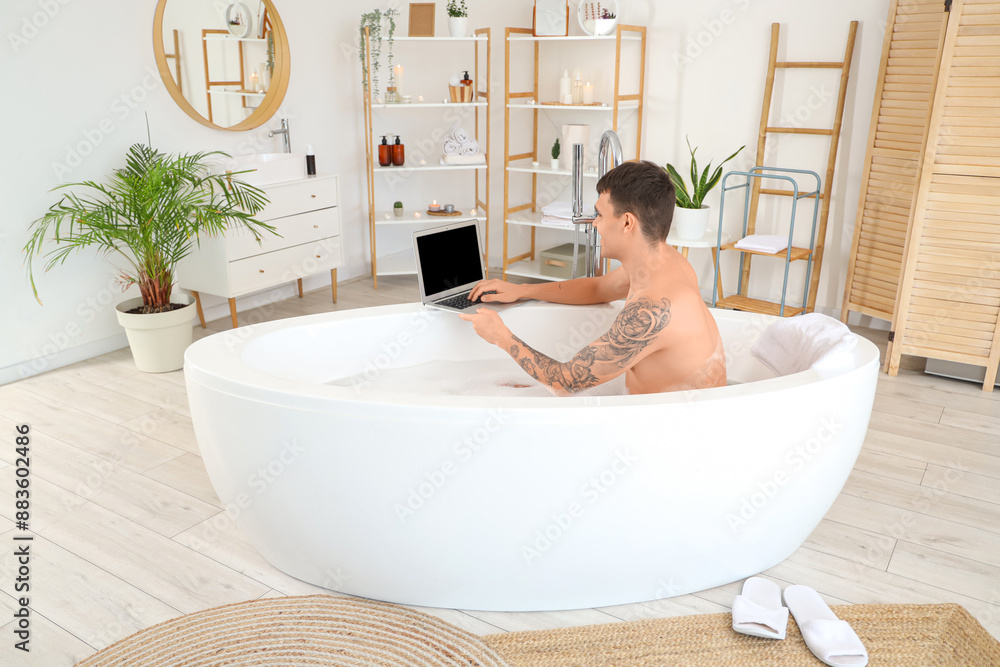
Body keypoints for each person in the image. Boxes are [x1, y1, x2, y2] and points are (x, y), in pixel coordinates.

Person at [460, 160, 726, 395]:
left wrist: (502, 337)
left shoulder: (654, 310)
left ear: (627, 222)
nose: (594, 223)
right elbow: (599, 288)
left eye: (600, 214)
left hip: (670, 427)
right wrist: (522, 290)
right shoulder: (664, 261)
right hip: (666, 411)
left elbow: (566, 383)